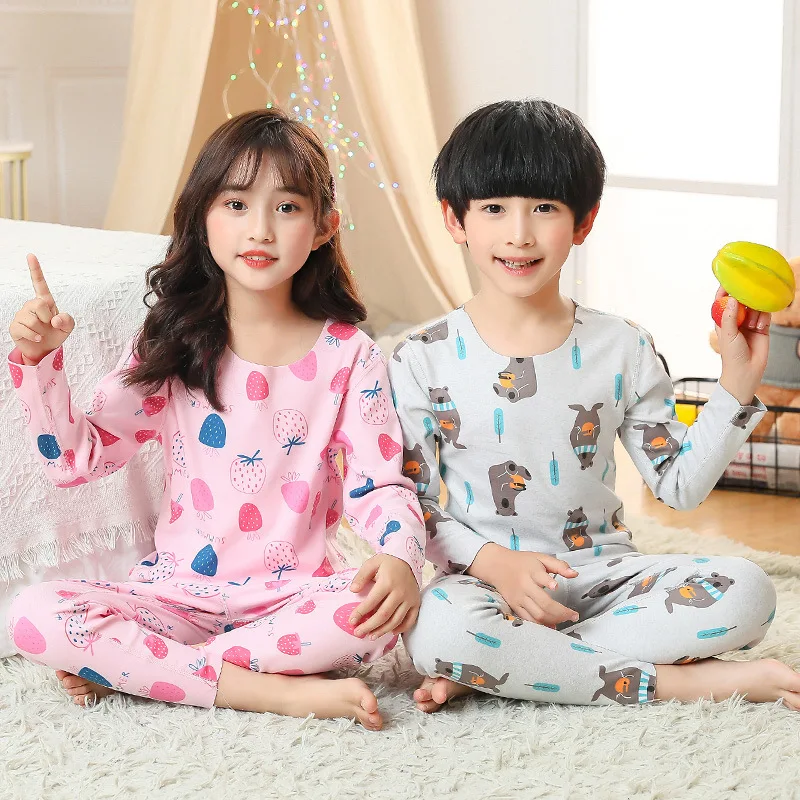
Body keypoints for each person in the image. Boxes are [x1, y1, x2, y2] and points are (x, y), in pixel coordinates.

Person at [7, 108, 425, 730]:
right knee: (33, 615)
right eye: (235, 204)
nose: (260, 229)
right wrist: (39, 361)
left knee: (377, 614)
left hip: (294, 600)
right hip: (176, 597)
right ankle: (272, 692)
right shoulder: (173, 343)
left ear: (323, 227)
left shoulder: (350, 354)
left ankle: (149, 670)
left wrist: (402, 557)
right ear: (202, 219)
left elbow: (380, 484)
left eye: (286, 207)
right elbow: (75, 459)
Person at [388, 98, 800, 712]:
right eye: (494, 208)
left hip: (607, 579)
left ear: (584, 222)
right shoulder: (420, 356)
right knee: (437, 628)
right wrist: (494, 564)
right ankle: (681, 683)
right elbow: (413, 504)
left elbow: (679, 486)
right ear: (455, 219)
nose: (519, 233)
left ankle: (506, 665)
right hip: (487, 585)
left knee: (748, 592)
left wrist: (737, 382)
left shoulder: (624, 345)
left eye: (545, 208)